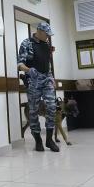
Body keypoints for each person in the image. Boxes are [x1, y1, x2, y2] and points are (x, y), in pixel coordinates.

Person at [18, 22, 60, 152]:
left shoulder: (46, 45)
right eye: (47, 34)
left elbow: (47, 65)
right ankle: (38, 141)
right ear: (40, 31)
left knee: (52, 107)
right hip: (33, 81)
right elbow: (20, 64)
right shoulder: (26, 43)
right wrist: (30, 71)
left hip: (46, 79)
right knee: (33, 111)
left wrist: (51, 78)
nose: (48, 36)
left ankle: (49, 140)